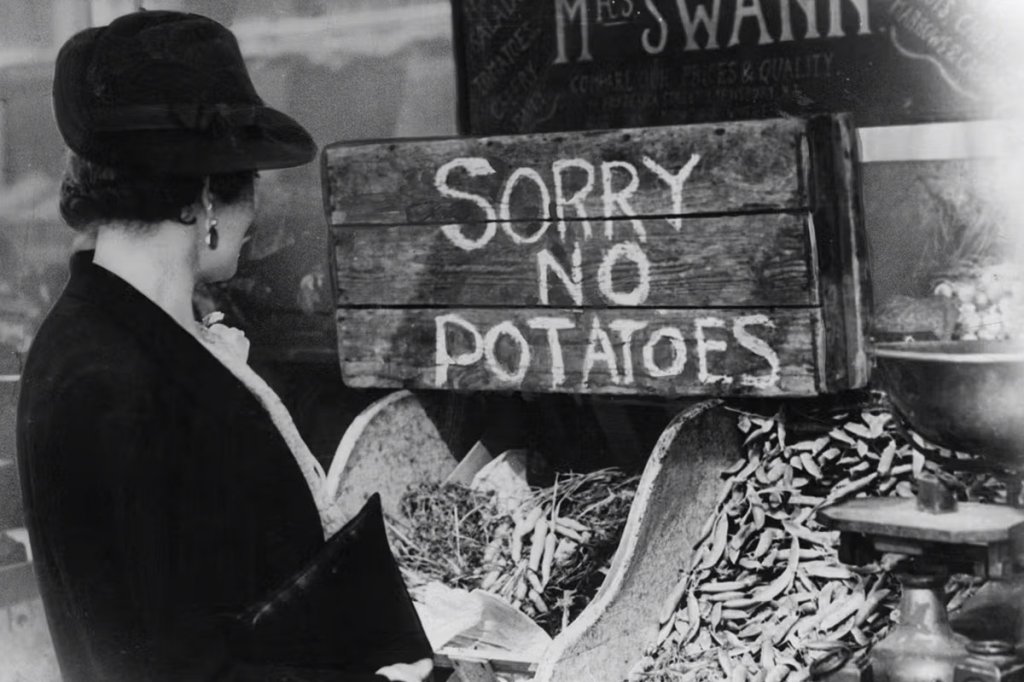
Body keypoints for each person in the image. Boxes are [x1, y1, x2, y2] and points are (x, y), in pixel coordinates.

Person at [16, 10, 433, 682]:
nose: (258, 208)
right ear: (206, 196)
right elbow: (169, 666)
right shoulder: (105, 379)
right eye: (251, 179)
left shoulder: (130, 337)